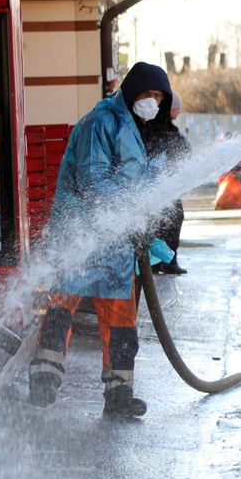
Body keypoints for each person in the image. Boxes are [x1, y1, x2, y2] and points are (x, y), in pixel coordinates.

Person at [28, 61, 172, 418]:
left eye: (158, 96)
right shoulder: (101, 122)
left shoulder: (143, 132)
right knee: (63, 305)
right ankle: (43, 381)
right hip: (81, 234)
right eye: (147, 93)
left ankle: (119, 395)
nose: (151, 101)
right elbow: (92, 181)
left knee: (122, 317)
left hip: (118, 240)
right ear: (131, 90)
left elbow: (143, 186)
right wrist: (128, 216)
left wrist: (144, 224)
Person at [145, 90, 190, 276]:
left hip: (165, 186)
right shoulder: (161, 129)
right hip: (164, 186)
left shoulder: (158, 128)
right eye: (176, 109)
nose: (178, 112)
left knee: (161, 223)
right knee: (172, 220)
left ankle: (157, 262)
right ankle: (168, 261)